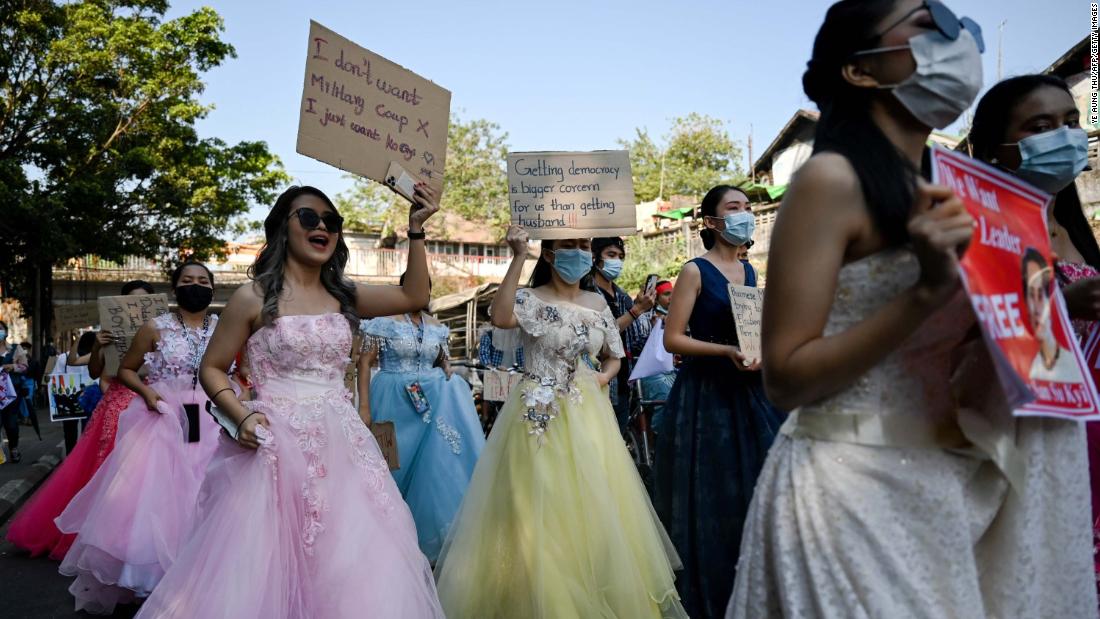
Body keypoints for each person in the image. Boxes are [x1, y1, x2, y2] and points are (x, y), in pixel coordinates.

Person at [729, 2, 1096, 617]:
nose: (959, 39)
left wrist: (1042, 308)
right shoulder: (831, 180)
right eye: (928, 26)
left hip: (942, 488)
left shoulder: (966, 192)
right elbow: (786, 377)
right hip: (846, 491)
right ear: (860, 71)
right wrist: (925, 292)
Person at [135, 184, 445, 618]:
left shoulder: (345, 295)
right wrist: (240, 416)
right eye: (309, 218)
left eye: (331, 222)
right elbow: (212, 367)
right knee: (264, 566)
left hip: (344, 451)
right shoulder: (254, 297)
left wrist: (416, 230)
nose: (322, 227)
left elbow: (415, 296)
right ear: (283, 227)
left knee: (352, 560)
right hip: (274, 449)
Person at [434, 226, 686, 618]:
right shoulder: (530, 298)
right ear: (549, 255)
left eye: (585, 246)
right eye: (569, 245)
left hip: (587, 415)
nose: (581, 253)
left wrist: (602, 377)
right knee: (535, 507)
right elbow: (501, 317)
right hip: (536, 413)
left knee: (595, 509)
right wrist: (518, 255)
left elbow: (614, 356)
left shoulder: (598, 303)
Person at [968, 72, 1100, 599]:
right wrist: (1058, 308)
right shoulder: (978, 227)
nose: (1064, 136)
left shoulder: (1070, 230)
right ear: (995, 148)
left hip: (1087, 424)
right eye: (1039, 126)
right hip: (1025, 434)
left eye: (1071, 122)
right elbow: (960, 344)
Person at [56, 264, 223, 614]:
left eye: (203, 281)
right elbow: (127, 369)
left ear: (213, 287)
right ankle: (157, 579)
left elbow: (236, 368)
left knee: (208, 494)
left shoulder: (224, 328)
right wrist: (147, 395)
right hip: (163, 417)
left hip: (211, 419)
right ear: (174, 288)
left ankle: (206, 574)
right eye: (187, 281)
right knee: (160, 497)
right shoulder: (155, 327)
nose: (196, 286)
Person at [652, 185, 784, 618]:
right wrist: (725, 351)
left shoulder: (750, 273)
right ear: (710, 222)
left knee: (759, 490)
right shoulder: (694, 270)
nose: (744, 215)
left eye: (748, 208)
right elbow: (673, 339)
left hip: (749, 392)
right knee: (714, 498)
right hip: (705, 400)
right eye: (734, 208)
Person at [7, 280, 153, 560]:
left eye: (142, 302)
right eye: (130, 302)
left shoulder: (164, 334)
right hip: (118, 409)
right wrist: (98, 346)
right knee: (106, 472)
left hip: (154, 405)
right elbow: (100, 374)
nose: (136, 308)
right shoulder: (110, 334)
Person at [357, 274, 486, 563]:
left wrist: (447, 370)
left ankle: (428, 538)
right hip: (392, 399)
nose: (421, 293)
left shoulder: (438, 327)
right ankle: (386, 534)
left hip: (432, 403)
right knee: (392, 463)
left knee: (435, 463)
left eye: (425, 288)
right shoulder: (383, 321)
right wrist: (364, 406)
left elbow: (443, 361)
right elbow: (364, 362)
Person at [590, 236, 656, 428]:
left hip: (623, 381)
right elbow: (600, 334)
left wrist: (645, 313)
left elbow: (637, 337)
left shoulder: (622, 295)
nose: (616, 261)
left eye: (620, 256)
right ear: (595, 257)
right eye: (611, 255)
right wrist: (635, 311)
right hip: (598, 379)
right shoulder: (587, 293)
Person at [1021, 249, 1085, 383]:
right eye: (1031, 294)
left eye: (1041, 293)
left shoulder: (1079, 277)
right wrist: (1062, 305)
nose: (1037, 307)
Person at [0, 320, 28, 462]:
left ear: (5, 332)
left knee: (10, 422)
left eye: (0, 329)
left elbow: (24, 366)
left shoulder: (16, 349)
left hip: (11, 393)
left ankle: (13, 448)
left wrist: (13, 367)